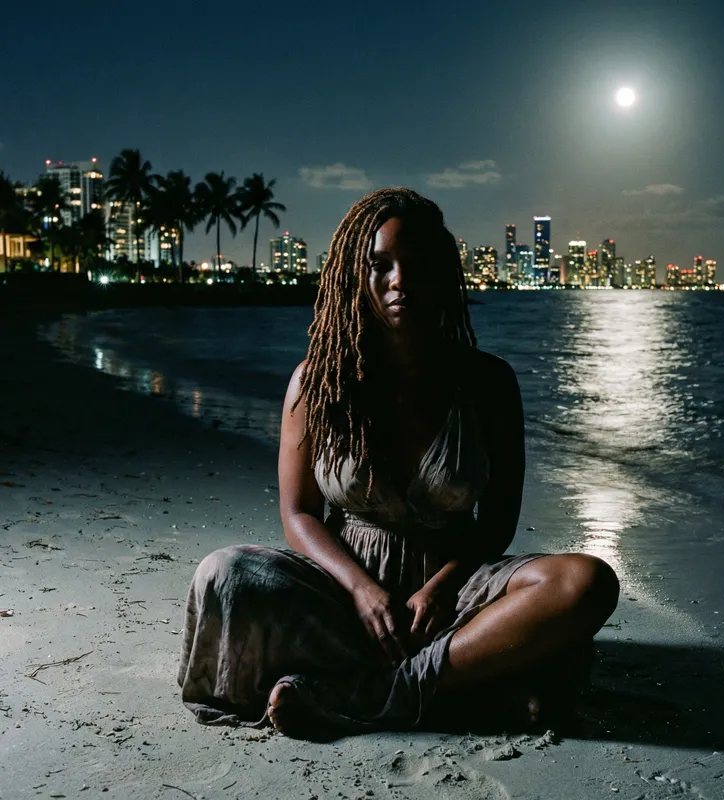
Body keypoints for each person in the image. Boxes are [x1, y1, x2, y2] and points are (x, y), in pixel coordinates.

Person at [177, 187, 619, 739]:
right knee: (225, 575)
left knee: (588, 582)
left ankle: (377, 694)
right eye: (380, 265)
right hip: (342, 590)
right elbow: (299, 515)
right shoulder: (318, 383)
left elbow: (499, 520)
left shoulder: (488, 384)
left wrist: (441, 588)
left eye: (416, 265)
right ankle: (458, 690)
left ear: (442, 274)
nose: (399, 282)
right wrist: (363, 592)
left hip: (458, 593)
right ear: (351, 277)